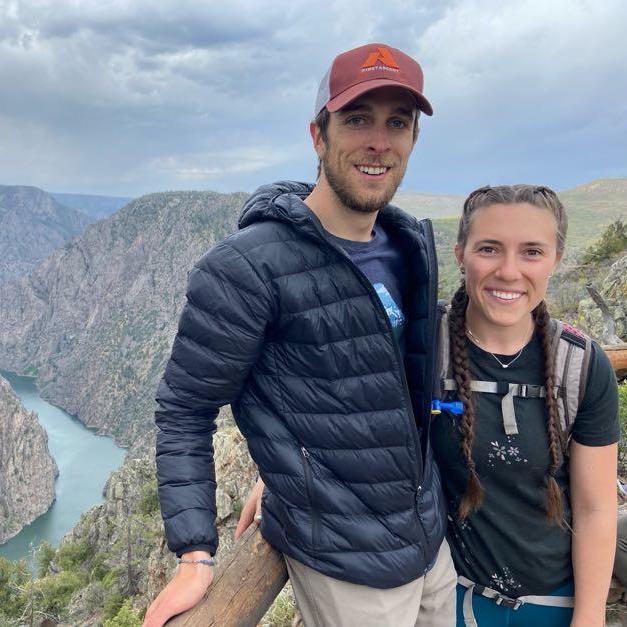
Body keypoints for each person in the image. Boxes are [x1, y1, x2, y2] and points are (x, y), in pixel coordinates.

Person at [144, 43, 457, 627]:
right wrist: (194, 551)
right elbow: (185, 408)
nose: (378, 142)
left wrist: (285, 468)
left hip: (428, 543)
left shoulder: (406, 243)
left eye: (398, 123)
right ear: (318, 135)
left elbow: (383, 388)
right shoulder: (245, 268)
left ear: (414, 140)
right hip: (348, 567)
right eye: (358, 120)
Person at [430, 185, 619, 626]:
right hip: (448, 601)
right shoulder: (426, 347)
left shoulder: (581, 366)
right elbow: (353, 418)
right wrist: (281, 473)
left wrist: (589, 617)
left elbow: (594, 507)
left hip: (554, 603)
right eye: (489, 249)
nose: (509, 271)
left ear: (556, 259)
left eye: (532, 251)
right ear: (460, 254)